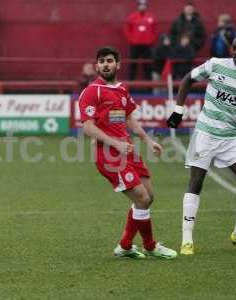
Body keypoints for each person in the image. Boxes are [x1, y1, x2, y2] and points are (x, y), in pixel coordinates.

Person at [79, 46, 177, 259]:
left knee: (148, 197)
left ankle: (124, 245)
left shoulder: (122, 89)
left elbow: (129, 118)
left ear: (118, 64)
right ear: (97, 66)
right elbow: (87, 127)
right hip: (109, 155)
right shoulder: (91, 91)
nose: (105, 64)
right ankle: (150, 246)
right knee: (141, 198)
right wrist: (115, 144)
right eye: (102, 61)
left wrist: (148, 140)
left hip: (128, 150)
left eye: (109, 60)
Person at [167, 34, 236, 255]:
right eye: (234, 48)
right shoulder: (216, 64)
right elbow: (188, 78)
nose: (235, 52)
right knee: (196, 181)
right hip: (204, 132)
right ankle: (187, 239)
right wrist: (178, 110)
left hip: (229, 136)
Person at [124, 0, 157, 80]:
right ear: (138, 6)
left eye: (144, 5)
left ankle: (149, 88)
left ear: (146, 6)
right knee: (132, 65)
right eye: (140, 5)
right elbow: (127, 30)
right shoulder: (131, 17)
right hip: (134, 45)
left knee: (148, 65)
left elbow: (155, 31)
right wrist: (131, 40)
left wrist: (151, 40)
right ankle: (130, 87)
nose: (142, 6)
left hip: (147, 45)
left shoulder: (151, 17)